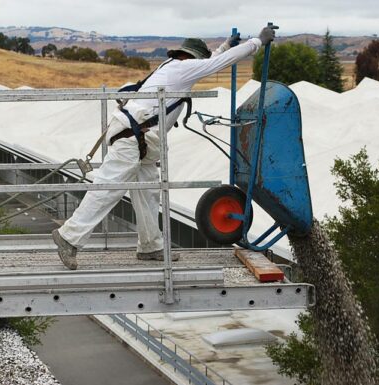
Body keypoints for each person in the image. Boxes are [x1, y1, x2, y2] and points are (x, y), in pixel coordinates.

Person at [52, 26, 277, 270]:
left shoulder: (172, 66)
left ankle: (151, 246)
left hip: (142, 141)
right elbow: (217, 63)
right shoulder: (181, 69)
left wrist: (226, 44)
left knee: (148, 192)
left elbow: (211, 60)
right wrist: (257, 42)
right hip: (133, 138)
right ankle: (69, 238)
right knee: (108, 190)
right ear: (191, 58)